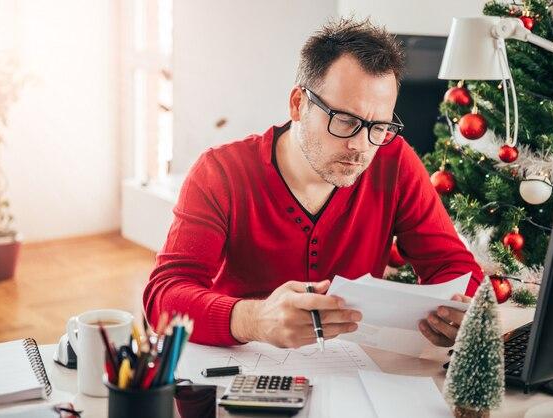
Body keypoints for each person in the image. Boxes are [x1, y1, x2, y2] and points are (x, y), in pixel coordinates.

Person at [143, 17, 484, 349]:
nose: (361, 146)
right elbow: (164, 296)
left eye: (378, 126)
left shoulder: (393, 160)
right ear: (298, 104)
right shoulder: (220, 172)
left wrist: (460, 313)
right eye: (346, 120)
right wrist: (256, 319)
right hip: (244, 361)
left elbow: (452, 266)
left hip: (356, 369)